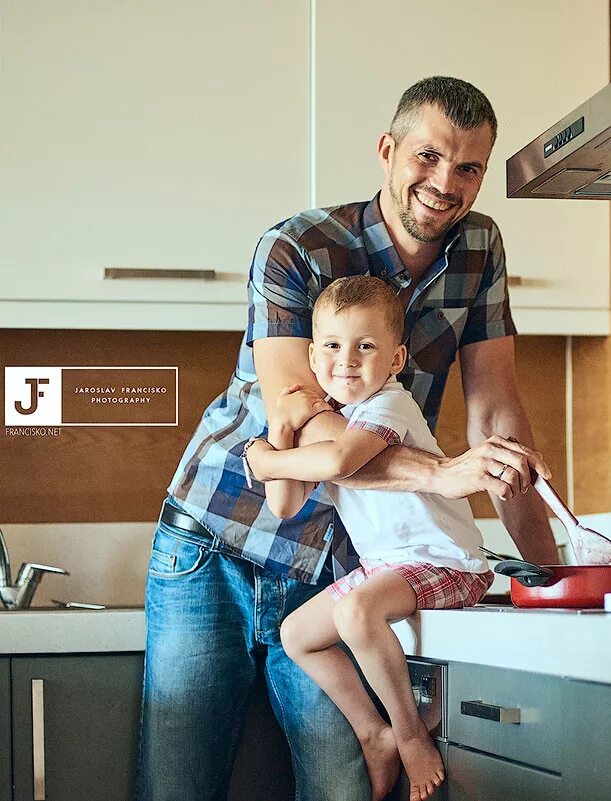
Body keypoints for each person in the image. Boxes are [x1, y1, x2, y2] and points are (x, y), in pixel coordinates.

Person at [137, 76, 558, 801]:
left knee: (345, 785)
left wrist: (552, 577)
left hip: (337, 556)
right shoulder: (297, 247)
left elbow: (498, 417)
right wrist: (441, 473)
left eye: (468, 168)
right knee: (178, 786)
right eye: (427, 157)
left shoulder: (479, 247)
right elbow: (303, 410)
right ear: (388, 151)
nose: (445, 183)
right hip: (214, 545)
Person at [245, 275, 489, 801]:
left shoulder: (389, 407)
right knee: (296, 635)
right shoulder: (334, 420)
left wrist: (264, 458)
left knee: (355, 613)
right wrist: (282, 427)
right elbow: (284, 505)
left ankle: (408, 735)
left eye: (365, 346)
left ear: (396, 359)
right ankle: (372, 732)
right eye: (332, 345)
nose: (346, 360)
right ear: (312, 357)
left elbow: (337, 462)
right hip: (390, 567)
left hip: (447, 562)